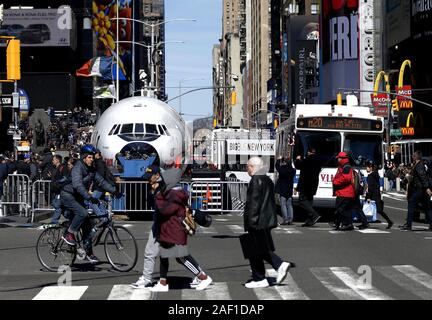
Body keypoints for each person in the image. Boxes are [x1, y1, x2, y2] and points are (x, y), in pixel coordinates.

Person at [150, 166, 213, 292]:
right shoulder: (172, 193)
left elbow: (164, 210)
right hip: (169, 229)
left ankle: (203, 277)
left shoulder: (173, 194)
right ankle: (163, 283)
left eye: (162, 180)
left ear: (169, 181)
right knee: (164, 255)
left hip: (175, 230)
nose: (160, 182)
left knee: (182, 257)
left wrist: (156, 195)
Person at [60, 144, 119, 263]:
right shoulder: (78, 167)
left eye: (93, 157)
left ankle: (89, 253)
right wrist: (89, 197)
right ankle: (69, 234)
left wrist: (114, 191)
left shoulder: (91, 170)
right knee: (82, 213)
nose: (92, 159)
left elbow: (101, 182)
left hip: (78, 196)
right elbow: (77, 185)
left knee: (87, 225)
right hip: (68, 195)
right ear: (83, 158)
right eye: (89, 157)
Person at [242, 157, 294, 288]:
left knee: (257, 249)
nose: (246, 169)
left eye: (247, 166)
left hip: (257, 221)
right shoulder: (266, 179)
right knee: (256, 250)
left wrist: (251, 222)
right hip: (266, 220)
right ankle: (259, 277)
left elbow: (254, 203)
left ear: (253, 166)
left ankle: (277, 265)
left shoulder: (256, 180)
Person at [131, 165, 163, 289]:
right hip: (159, 224)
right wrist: (152, 192)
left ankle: (201, 275)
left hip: (166, 225)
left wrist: (155, 193)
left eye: (150, 177)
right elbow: (151, 205)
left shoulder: (164, 187)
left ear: (157, 176)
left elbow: (162, 207)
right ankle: (146, 278)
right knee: (150, 251)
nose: (148, 180)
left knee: (180, 256)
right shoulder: (154, 187)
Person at [400, 151, 432, 231]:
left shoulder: (419, 165)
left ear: (416, 157)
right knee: (427, 208)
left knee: (411, 205)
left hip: (419, 189)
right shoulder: (419, 165)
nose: (412, 157)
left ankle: (409, 225)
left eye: (413, 156)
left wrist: (427, 187)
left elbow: (423, 176)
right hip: (422, 189)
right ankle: (431, 225)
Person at [294, 147, 322, 227]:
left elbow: (298, 166)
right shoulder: (318, 160)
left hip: (305, 183)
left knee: (301, 200)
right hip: (314, 184)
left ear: (309, 152)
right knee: (309, 201)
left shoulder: (308, 159)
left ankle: (314, 214)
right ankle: (310, 220)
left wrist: (298, 159)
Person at [365, 161, 393, 229]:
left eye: (367, 167)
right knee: (378, 210)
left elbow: (370, 187)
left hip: (373, 195)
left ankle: (365, 223)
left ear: (371, 168)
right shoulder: (376, 175)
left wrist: (368, 196)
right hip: (377, 194)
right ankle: (389, 221)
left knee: (367, 208)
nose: (366, 168)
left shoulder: (370, 176)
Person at [332, 152, 356, 231]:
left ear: (342, 159)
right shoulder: (343, 166)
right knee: (344, 209)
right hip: (344, 192)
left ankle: (348, 223)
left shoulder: (346, 167)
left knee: (340, 209)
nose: (337, 159)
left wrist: (335, 181)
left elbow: (345, 178)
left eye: (339, 158)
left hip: (344, 192)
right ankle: (339, 223)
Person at [275, 156, 296, 225]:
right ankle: (290, 219)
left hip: (283, 189)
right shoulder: (293, 170)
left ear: (285, 162)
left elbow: (277, 166)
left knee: (283, 204)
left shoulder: (283, 168)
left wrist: (278, 160)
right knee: (289, 205)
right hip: (289, 189)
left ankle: (285, 219)